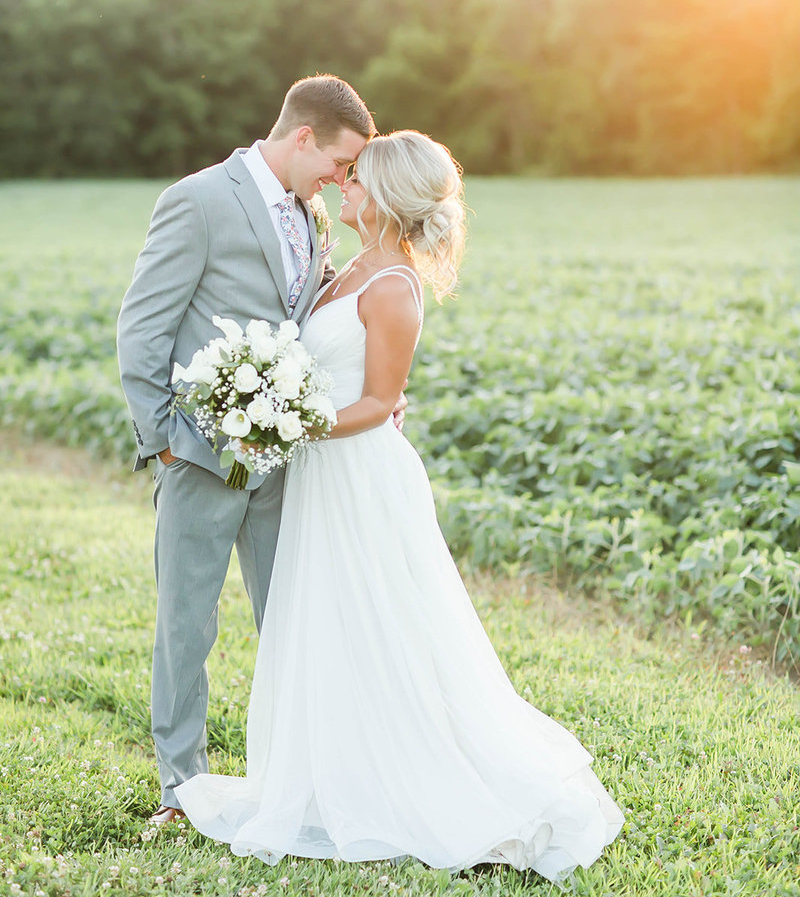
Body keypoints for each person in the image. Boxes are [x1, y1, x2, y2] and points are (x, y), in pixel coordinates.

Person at [175, 130, 624, 882]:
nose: (341, 188)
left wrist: (284, 419)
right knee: (333, 620)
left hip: (361, 477)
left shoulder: (392, 287)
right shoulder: (349, 265)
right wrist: (276, 403)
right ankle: (337, 771)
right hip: (325, 474)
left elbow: (380, 403)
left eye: (354, 181)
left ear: (383, 199)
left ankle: (431, 784)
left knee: (389, 622)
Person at [117, 74, 378, 825]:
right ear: (303, 137)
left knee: (293, 619)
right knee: (186, 625)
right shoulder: (199, 200)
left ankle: (299, 777)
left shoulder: (316, 212)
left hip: (285, 463)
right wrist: (163, 441)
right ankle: (181, 788)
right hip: (198, 457)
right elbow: (142, 328)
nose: (342, 177)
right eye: (338, 160)